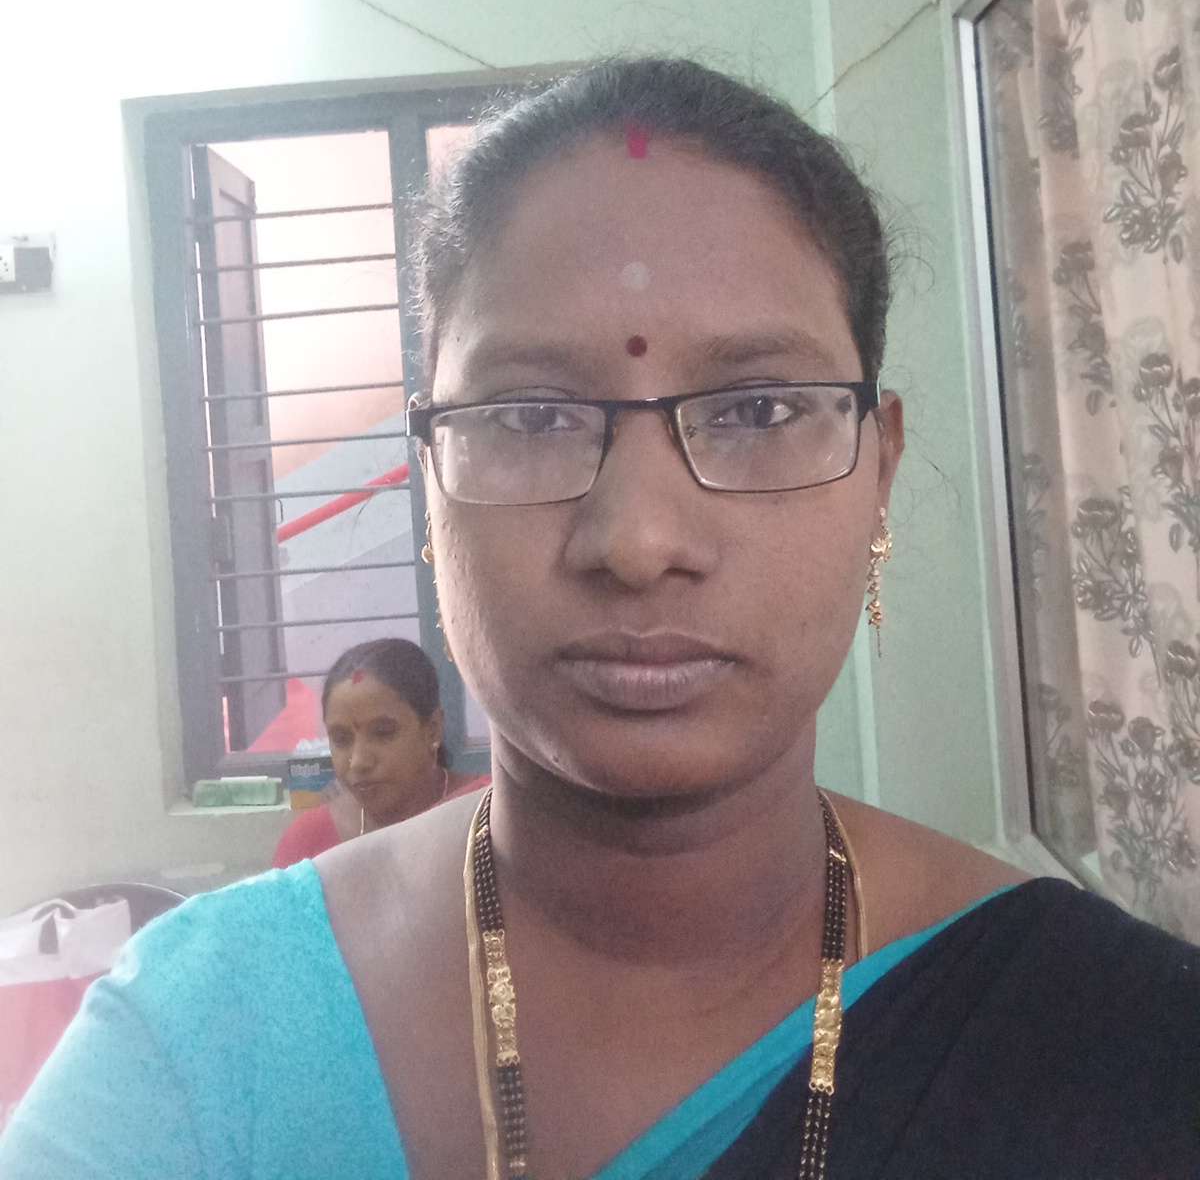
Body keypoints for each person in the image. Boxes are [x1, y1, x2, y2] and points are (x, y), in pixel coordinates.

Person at [3, 58, 1197, 1179]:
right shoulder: (199, 1046)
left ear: (877, 473)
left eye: (759, 407)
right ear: (429, 479)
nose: (637, 540)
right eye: (530, 415)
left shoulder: (1121, 1048)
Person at [271, 637, 485, 868]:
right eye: (341, 739)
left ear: (433, 730)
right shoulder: (308, 843)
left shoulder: (489, 814)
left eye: (383, 733)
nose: (358, 762)